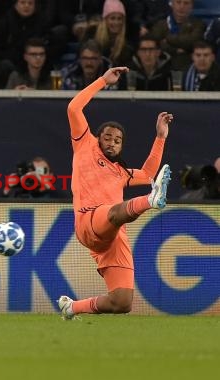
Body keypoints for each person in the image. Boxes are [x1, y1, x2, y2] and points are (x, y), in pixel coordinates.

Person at [58, 66, 173, 320]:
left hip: (112, 235)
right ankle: (149, 201)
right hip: (88, 221)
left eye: (117, 140)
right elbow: (73, 108)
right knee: (114, 213)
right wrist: (102, 81)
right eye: (107, 137)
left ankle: (71, 308)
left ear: (122, 145)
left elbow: (147, 173)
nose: (111, 142)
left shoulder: (121, 172)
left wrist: (160, 137)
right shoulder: (85, 145)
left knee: (122, 302)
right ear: (98, 138)